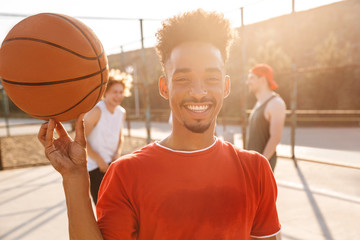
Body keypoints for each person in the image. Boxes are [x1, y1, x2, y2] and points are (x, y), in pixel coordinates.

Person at [38, 9, 281, 240]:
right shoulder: (126, 175)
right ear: (165, 87)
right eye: (183, 79)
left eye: (212, 78)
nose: (198, 92)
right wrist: (73, 178)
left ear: (226, 86)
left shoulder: (256, 170)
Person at [84, 69, 132, 204]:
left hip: (112, 165)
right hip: (95, 166)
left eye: (121, 92)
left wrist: (117, 154)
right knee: (102, 207)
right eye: (114, 92)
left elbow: (120, 136)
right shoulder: (96, 111)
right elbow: (81, 139)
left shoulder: (121, 112)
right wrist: (99, 160)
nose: (118, 96)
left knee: (118, 205)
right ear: (105, 92)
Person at [246, 64, 286, 171]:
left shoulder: (276, 103)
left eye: (251, 78)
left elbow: (275, 138)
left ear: (263, 80)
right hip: (252, 164)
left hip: (261, 167)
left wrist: (260, 164)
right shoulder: (258, 103)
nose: (248, 82)